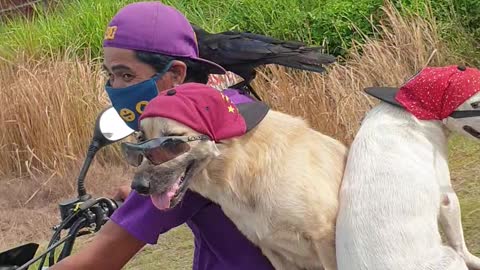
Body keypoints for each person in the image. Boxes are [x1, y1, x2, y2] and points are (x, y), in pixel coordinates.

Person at [50, 2, 275, 270]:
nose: (115, 88)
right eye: (110, 75)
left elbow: (99, 260)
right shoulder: (231, 107)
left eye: (126, 74)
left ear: (175, 74)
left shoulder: (185, 147)